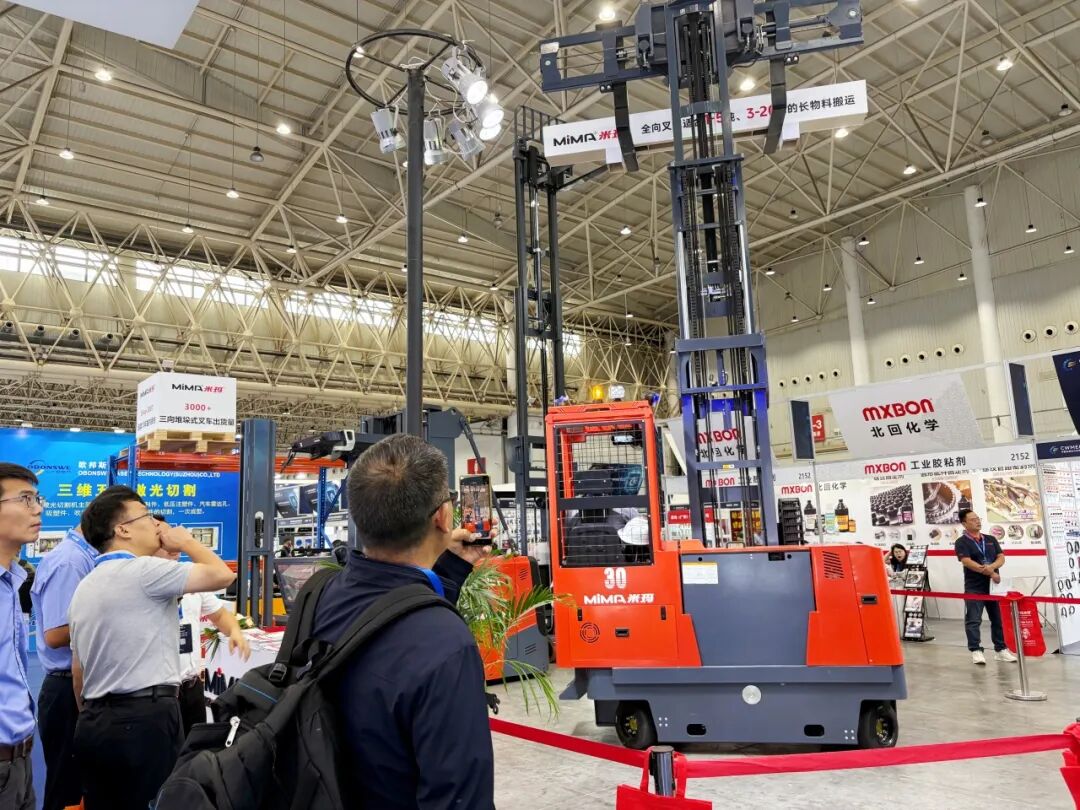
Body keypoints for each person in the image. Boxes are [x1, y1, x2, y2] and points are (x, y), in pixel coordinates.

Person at [312, 434, 495, 809]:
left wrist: (451, 567)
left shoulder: (321, 595)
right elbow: (459, 799)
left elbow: (394, 616)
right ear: (443, 517)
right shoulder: (447, 647)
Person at [68, 486, 237, 810]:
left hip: (94, 720)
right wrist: (185, 541)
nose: (157, 525)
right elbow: (222, 575)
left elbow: (79, 671)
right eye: (147, 517)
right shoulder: (144, 571)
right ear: (123, 529)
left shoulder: (86, 585)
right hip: (145, 720)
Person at [153, 516, 251, 737]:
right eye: (162, 538)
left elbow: (219, 614)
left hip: (191, 686)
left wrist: (235, 631)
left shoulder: (191, 576)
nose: (172, 543)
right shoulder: (142, 580)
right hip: (159, 693)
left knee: (195, 746)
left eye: (173, 536)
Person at [29, 525, 97, 810]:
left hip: (79, 684)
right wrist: (109, 618)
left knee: (80, 783)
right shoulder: (71, 562)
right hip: (67, 687)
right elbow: (56, 635)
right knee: (67, 788)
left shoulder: (82, 557)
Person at [0, 463, 43, 810]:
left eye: (38, 499)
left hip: (20, 758)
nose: (38, 509)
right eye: (26, 499)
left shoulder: (11, 581)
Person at [955, 509, 1017, 666]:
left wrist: (992, 567)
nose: (977, 521)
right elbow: (967, 562)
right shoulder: (961, 542)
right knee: (973, 620)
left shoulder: (990, 539)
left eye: (978, 518)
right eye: (973, 519)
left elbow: (1001, 558)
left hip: (994, 587)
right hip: (974, 587)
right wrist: (990, 572)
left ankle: (1001, 650)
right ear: (964, 523)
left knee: (998, 619)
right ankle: (976, 650)